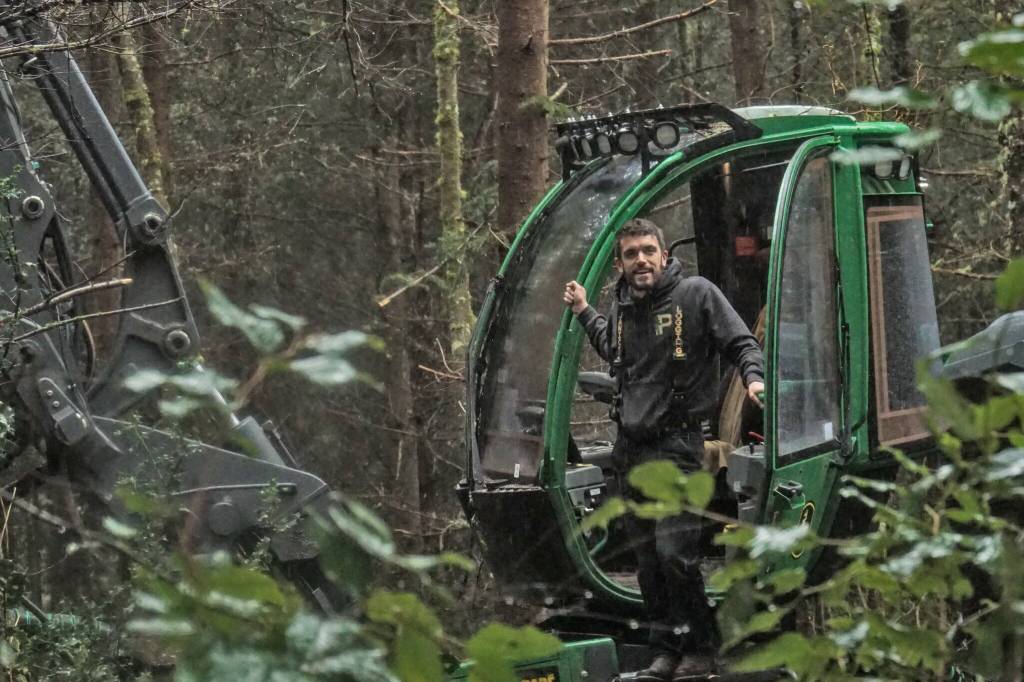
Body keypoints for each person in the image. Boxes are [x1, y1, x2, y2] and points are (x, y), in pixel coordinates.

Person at [563, 218, 765, 681]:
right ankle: (664, 650)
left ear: (663, 255)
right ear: (620, 263)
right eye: (631, 253)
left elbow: (741, 343)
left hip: (678, 445)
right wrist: (583, 310)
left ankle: (701, 648)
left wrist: (754, 378)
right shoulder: (622, 308)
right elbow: (606, 343)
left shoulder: (695, 295)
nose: (641, 260)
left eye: (648, 250)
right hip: (631, 448)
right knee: (649, 560)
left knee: (676, 554)